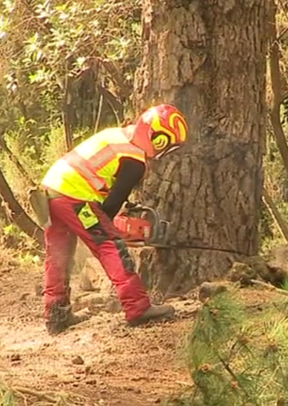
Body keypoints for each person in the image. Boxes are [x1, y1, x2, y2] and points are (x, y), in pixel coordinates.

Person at [36, 103, 189, 335]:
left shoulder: (117, 135)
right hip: (76, 195)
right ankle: (137, 307)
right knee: (110, 246)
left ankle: (56, 314)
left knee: (59, 252)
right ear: (154, 135)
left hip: (51, 190)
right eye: (162, 144)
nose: (160, 151)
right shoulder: (135, 160)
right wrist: (114, 229)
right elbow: (111, 206)